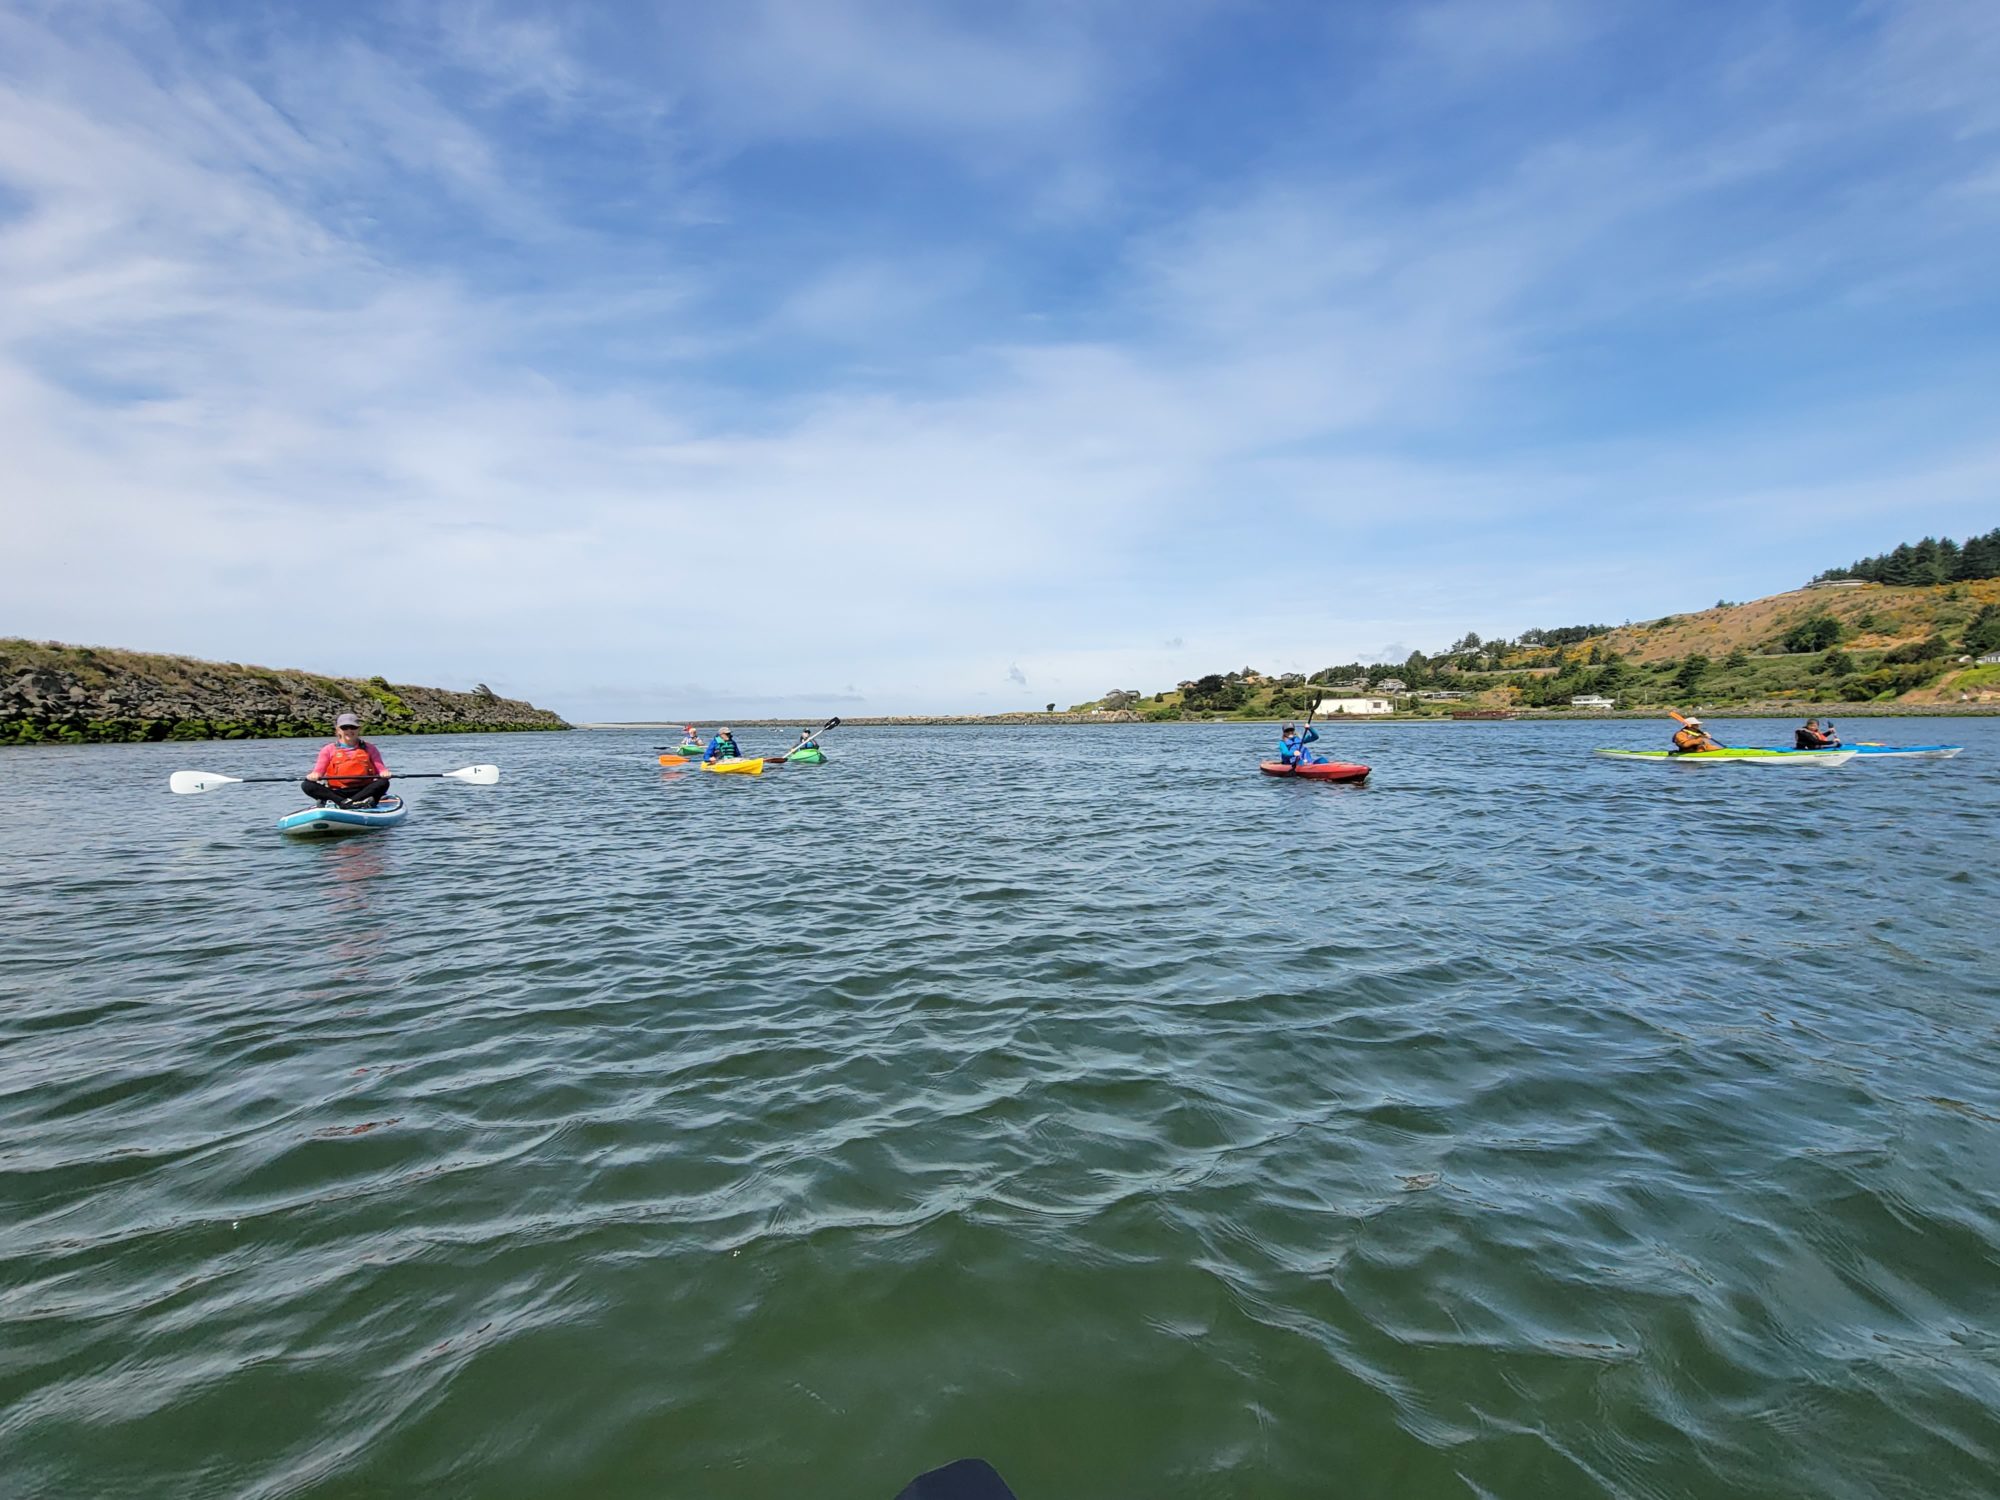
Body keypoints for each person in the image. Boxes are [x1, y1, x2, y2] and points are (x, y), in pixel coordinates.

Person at [303, 713, 391, 806]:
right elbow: (318, 771)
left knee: (383, 782)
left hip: (363, 791)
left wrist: (384, 773)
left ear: (359, 729)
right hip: (338, 791)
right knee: (307, 785)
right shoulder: (328, 749)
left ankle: (350, 802)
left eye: (353, 727)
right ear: (338, 730)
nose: (349, 730)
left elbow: (381, 769)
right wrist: (314, 775)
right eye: (345, 728)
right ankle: (344, 802)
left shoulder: (370, 748)